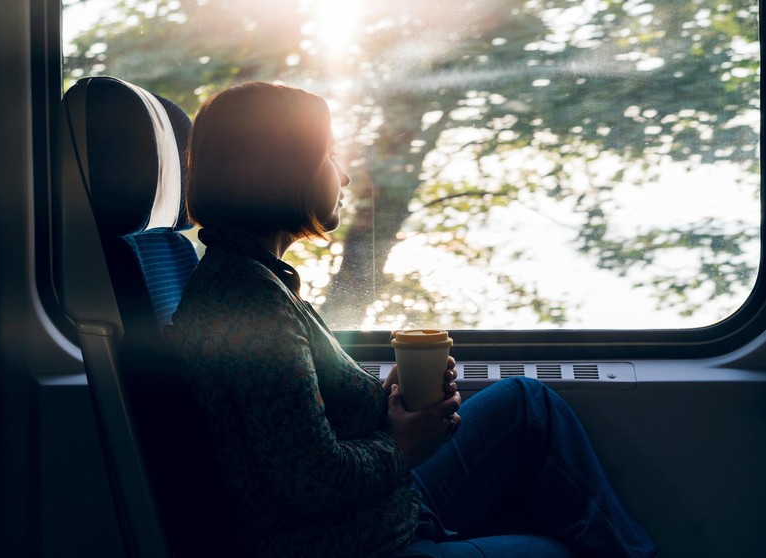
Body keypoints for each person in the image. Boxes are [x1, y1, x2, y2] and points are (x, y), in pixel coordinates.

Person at [165, 81, 658, 557]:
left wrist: (393, 401)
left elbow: (294, 422)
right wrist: (402, 442)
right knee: (552, 551)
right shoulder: (248, 303)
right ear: (282, 167)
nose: (343, 177)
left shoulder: (256, 278)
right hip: (353, 543)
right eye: (330, 155)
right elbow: (309, 481)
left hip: (378, 510)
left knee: (529, 405)